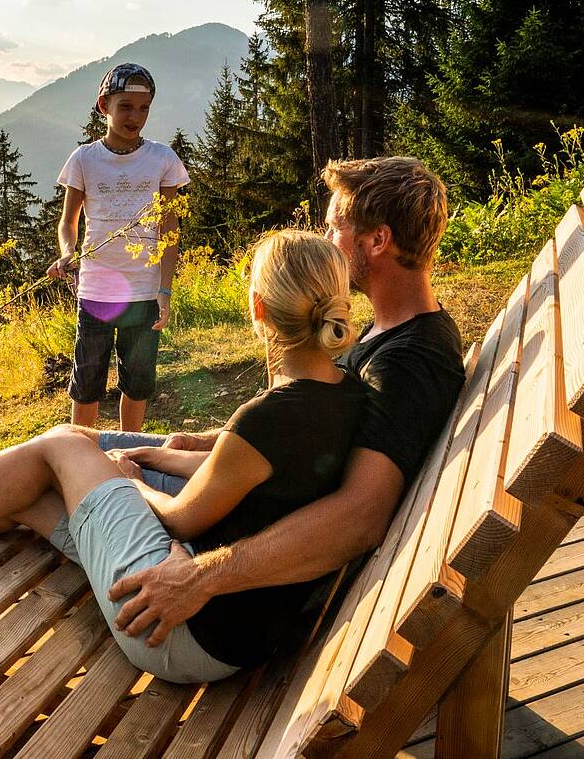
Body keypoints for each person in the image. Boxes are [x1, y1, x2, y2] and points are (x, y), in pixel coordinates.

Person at [0, 230, 367, 683]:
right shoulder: (350, 393)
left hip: (178, 625)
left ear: (258, 308)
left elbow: (181, 516)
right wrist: (158, 454)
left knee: (66, 443)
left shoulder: (270, 415)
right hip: (236, 629)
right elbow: (256, 475)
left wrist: (130, 478)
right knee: (29, 496)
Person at [102, 156, 465, 648]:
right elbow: (313, 428)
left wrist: (201, 577)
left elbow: (360, 516)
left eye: (335, 226)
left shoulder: (406, 365)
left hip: (236, 596)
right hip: (250, 496)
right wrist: (213, 441)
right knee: (75, 442)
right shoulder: (394, 330)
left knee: (65, 457)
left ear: (377, 241)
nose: (327, 238)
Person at [46, 63, 189, 432]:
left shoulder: (162, 159)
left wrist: (165, 289)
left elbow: (169, 227)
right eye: (125, 106)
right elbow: (68, 221)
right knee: (88, 381)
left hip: (144, 291)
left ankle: (130, 451)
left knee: (138, 381)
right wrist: (67, 252)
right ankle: (80, 453)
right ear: (103, 105)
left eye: (143, 108)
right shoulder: (84, 159)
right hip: (97, 288)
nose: (135, 117)